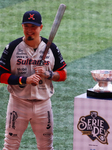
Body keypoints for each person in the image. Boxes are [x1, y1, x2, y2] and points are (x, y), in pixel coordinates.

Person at [0, 10, 67, 149]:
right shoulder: (12, 47)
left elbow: (63, 74)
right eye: (26, 26)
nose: (29, 30)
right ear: (22, 26)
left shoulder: (51, 48)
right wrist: (24, 80)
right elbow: (1, 75)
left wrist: (48, 74)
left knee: (46, 146)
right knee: (10, 145)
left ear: (41, 28)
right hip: (18, 103)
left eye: (33, 27)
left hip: (43, 105)